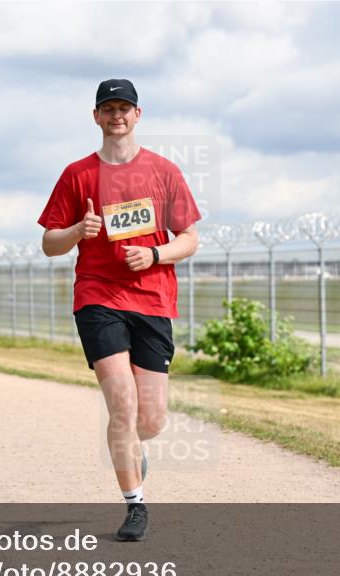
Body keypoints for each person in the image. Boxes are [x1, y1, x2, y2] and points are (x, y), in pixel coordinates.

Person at [37, 79, 200, 541]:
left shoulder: (164, 171)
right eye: (108, 108)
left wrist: (154, 256)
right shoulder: (77, 174)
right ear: (95, 117)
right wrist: (76, 231)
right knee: (123, 407)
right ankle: (135, 506)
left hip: (152, 299)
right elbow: (49, 243)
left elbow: (189, 238)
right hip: (98, 297)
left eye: (124, 107)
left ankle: (128, 447)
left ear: (137, 114)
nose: (117, 115)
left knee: (150, 419)